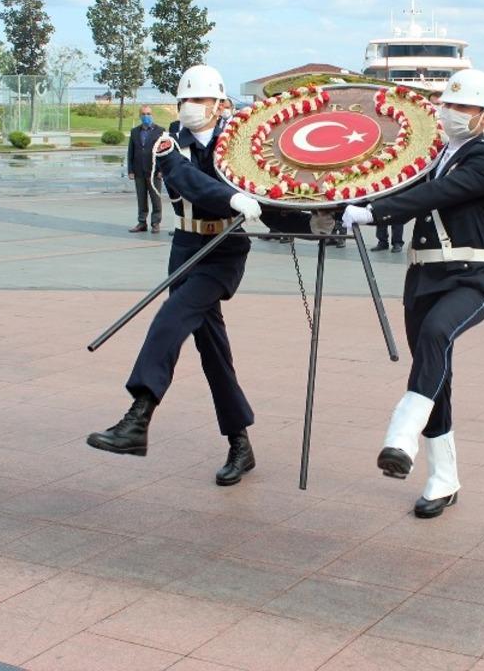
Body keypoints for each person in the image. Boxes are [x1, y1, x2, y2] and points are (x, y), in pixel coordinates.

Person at [86, 65, 326, 486]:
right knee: (214, 352)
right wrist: (233, 196)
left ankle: (138, 418)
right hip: (186, 246)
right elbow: (187, 180)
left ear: (219, 104)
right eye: (184, 101)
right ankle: (240, 443)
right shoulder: (167, 143)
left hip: (224, 250)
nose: (190, 108)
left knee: (172, 316)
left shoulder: (239, 145)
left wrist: (313, 227)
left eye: (198, 100)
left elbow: (266, 203)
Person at [341, 69, 484, 519]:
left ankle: (401, 436)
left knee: (436, 335)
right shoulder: (432, 158)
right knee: (438, 378)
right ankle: (443, 479)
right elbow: (400, 188)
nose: (453, 113)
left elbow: (435, 195)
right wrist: (341, 202)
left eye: (464, 107)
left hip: (471, 280)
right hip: (422, 281)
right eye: (448, 105)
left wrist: (373, 212)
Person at [127, 105, 165, 234]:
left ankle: (156, 223)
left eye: (148, 114)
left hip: (154, 171)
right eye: (143, 114)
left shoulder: (160, 131)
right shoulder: (134, 131)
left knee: (155, 199)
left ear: (152, 115)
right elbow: (130, 152)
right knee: (141, 198)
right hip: (138, 171)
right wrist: (130, 170)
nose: (146, 116)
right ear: (140, 116)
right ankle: (142, 222)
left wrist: (161, 170)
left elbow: (163, 152)